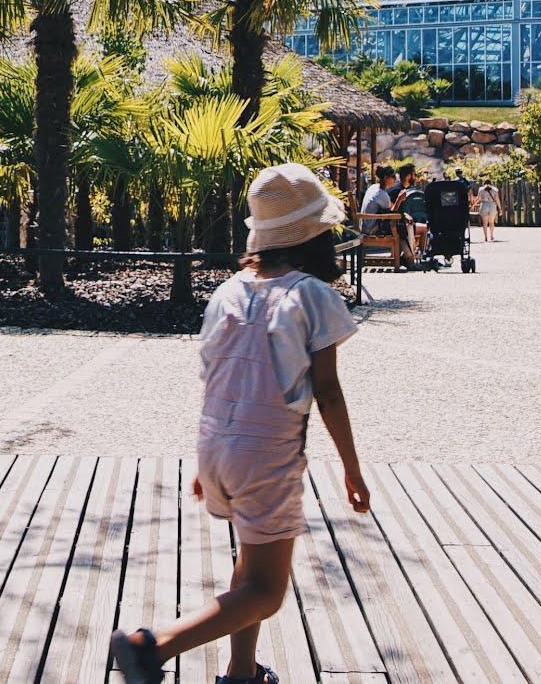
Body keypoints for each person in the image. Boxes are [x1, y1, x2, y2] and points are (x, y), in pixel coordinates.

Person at [111, 163, 368, 684]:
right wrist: (352, 470)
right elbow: (328, 392)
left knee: (252, 566)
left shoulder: (228, 291)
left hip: (218, 444)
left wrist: (209, 459)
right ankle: (154, 645)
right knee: (267, 592)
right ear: (317, 233)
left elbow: (216, 378)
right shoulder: (313, 296)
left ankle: (243, 672)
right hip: (266, 455)